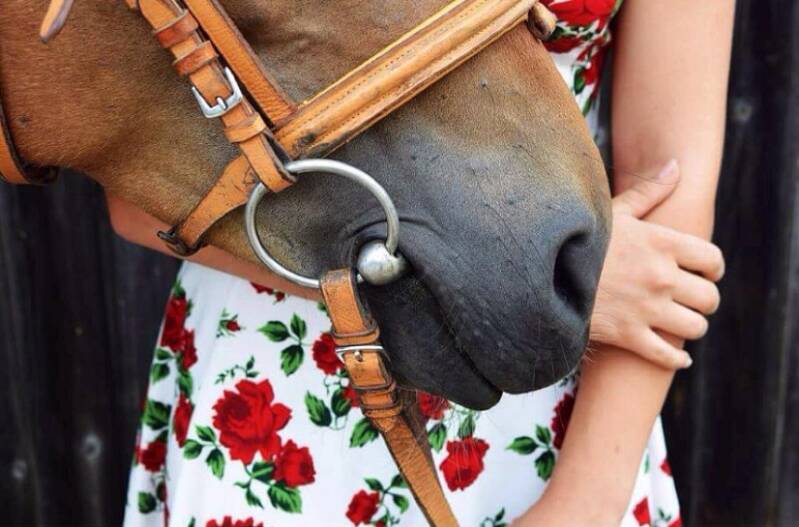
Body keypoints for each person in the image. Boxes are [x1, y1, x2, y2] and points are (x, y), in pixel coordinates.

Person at [108, 0, 734, 525]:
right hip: (279, 372)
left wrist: (585, 503)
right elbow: (136, 197)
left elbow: (669, 185)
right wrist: (512, 272)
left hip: (563, 398)